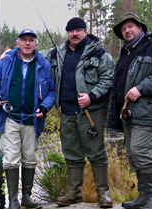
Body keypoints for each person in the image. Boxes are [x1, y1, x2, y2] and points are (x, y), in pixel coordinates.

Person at [39, 17, 115, 208]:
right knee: (71, 154)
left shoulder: (100, 54)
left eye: (78, 30)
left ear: (85, 31)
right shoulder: (56, 53)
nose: (74, 34)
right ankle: (74, 193)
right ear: (67, 33)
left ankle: (103, 194)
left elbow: (108, 78)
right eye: (71, 31)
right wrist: (11, 53)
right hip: (66, 112)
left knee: (96, 153)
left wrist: (92, 96)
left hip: (92, 111)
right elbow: (33, 55)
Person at [108, 12, 152, 209]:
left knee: (141, 153)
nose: (127, 31)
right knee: (133, 155)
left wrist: (141, 88)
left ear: (140, 28)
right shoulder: (126, 52)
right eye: (123, 29)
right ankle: (144, 197)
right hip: (128, 114)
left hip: (147, 113)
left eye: (130, 26)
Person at [0, 29, 56, 209]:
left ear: (36, 44)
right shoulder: (5, 60)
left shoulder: (44, 64)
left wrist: (44, 106)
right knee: (10, 159)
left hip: (32, 121)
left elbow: (51, 91)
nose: (27, 43)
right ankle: (12, 201)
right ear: (17, 43)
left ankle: (26, 197)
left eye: (31, 40)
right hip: (9, 118)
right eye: (24, 40)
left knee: (30, 158)